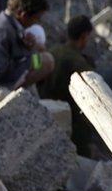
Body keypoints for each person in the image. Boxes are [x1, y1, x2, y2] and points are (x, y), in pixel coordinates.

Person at [43, 15, 100, 157]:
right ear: (84, 36)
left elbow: (34, 67)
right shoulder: (80, 64)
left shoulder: (51, 52)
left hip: (44, 114)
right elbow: (92, 100)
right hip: (72, 125)